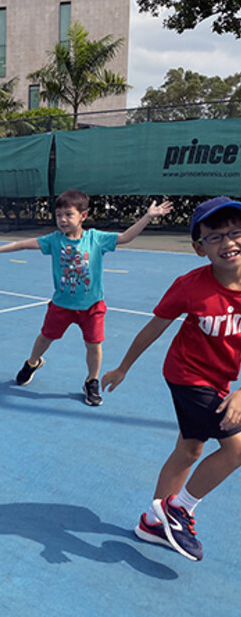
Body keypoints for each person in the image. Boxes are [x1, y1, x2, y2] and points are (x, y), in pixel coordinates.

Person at [101, 196, 241, 562]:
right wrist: (123, 367)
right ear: (199, 248)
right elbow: (154, 328)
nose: (228, 242)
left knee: (190, 450)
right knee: (238, 447)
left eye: (235, 232)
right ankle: (179, 508)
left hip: (221, 380)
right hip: (187, 375)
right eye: (215, 237)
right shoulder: (190, 286)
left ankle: (153, 522)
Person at [0, 189, 172, 406]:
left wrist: (148, 216)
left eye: (68, 214)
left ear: (83, 216)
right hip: (61, 306)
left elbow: (125, 237)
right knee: (45, 338)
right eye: (58, 215)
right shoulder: (54, 241)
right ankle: (32, 362)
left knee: (94, 345)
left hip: (92, 307)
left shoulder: (96, 238)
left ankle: (91, 381)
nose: (62, 219)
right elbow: (22, 244)